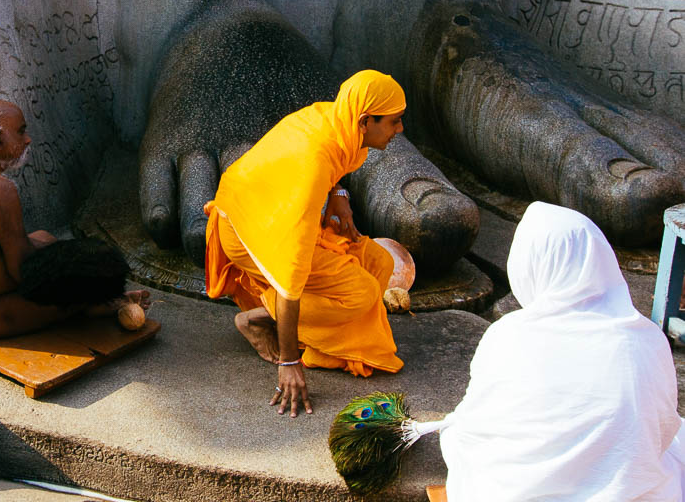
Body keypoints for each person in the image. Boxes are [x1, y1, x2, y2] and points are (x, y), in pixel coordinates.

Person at [438, 202, 685, 500]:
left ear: (530, 263)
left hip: (516, 493)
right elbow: (659, 428)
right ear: (600, 259)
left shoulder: (508, 335)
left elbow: (479, 425)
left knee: (459, 436)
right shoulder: (645, 339)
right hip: (626, 490)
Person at [204, 69, 410, 418]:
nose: (400, 130)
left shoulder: (333, 118)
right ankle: (259, 318)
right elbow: (290, 276)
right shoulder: (313, 165)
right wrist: (288, 362)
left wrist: (339, 193)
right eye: (394, 122)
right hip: (247, 232)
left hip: (274, 211)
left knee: (379, 263)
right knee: (362, 293)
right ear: (364, 121)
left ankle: (308, 329)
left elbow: (331, 164)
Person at [0, 99, 149, 338]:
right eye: (20, 131)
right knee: (91, 264)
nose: (28, 139)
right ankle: (97, 305)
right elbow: (23, 273)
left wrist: (50, 248)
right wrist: (86, 279)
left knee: (44, 237)